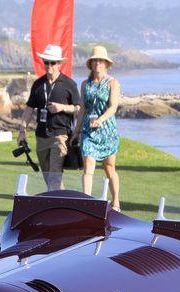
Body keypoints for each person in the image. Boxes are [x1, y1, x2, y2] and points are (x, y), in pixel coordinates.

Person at [18, 44, 80, 190]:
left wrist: (62, 108)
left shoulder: (69, 84)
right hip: (41, 137)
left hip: (60, 136)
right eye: (46, 62)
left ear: (59, 64)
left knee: (55, 175)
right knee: (48, 176)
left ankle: (56, 207)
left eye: (53, 63)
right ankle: (61, 203)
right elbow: (29, 108)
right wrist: (22, 131)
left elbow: (78, 108)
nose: (49, 65)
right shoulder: (38, 84)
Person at [72, 45, 121, 210]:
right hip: (88, 130)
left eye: (101, 61)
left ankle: (115, 202)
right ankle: (87, 201)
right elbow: (82, 109)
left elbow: (113, 107)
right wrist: (76, 131)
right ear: (91, 63)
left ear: (106, 64)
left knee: (109, 168)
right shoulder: (85, 84)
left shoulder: (113, 83)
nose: (98, 63)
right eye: (95, 60)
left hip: (107, 131)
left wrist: (101, 119)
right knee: (89, 163)